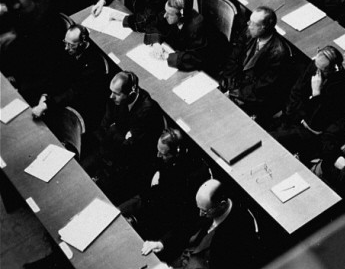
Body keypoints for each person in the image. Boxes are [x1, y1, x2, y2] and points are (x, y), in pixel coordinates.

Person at [161, 179, 261, 269]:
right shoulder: (206, 206)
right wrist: (162, 243)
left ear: (222, 205)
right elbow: (184, 225)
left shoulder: (240, 229)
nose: (200, 214)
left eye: (205, 211)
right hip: (185, 261)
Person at [81, 71, 164, 204]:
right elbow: (104, 127)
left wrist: (114, 131)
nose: (111, 96)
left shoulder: (147, 110)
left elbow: (131, 147)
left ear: (131, 93)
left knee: (97, 197)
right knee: (81, 172)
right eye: (111, 91)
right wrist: (117, 133)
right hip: (108, 150)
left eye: (117, 93)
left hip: (128, 164)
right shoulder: (114, 101)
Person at [120, 128, 210, 246]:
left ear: (176, 153)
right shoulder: (168, 159)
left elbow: (183, 218)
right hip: (156, 196)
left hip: (169, 218)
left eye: (163, 154)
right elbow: (158, 190)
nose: (158, 156)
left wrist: (162, 242)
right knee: (117, 211)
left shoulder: (192, 178)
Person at [29, 24, 110, 153]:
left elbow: (75, 92)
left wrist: (47, 104)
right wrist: (45, 94)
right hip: (66, 95)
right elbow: (56, 74)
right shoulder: (69, 51)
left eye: (71, 45)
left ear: (83, 43)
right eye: (65, 43)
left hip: (83, 106)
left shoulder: (94, 65)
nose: (66, 48)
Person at [269, 46, 345, 161]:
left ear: (331, 70)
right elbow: (296, 91)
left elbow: (317, 120)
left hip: (311, 132)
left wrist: (316, 94)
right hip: (296, 117)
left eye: (321, 69)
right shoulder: (316, 65)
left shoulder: (341, 88)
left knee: (272, 140)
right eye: (316, 65)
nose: (316, 71)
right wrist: (294, 115)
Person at [221, 6, 295, 122]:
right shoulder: (249, 32)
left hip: (252, 98)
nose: (248, 24)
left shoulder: (279, 53)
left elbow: (263, 87)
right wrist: (229, 84)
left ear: (263, 28)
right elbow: (233, 59)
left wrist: (235, 94)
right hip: (236, 86)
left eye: (253, 23)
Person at [145, 0, 228, 77]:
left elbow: (196, 57)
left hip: (212, 64)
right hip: (183, 53)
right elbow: (155, 24)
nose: (165, 15)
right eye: (165, 11)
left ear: (181, 16)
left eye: (169, 14)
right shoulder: (172, 12)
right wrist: (156, 44)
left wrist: (168, 57)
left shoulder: (196, 27)